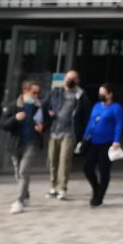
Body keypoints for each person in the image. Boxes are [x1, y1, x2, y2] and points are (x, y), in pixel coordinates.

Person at [41, 69, 91, 201]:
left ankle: (62, 188)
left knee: (64, 160)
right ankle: (53, 187)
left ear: (78, 80)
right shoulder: (56, 92)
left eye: (73, 79)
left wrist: (86, 135)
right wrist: (47, 115)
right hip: (54, 131)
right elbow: (44, 105)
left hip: (69, 133)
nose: (70, 81)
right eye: (68, 78)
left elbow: (86, 116)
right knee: (53, 160)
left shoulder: (81, 96)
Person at [0, 79, 43, 214]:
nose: (36, 95)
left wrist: (41, 128)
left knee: (24, 171)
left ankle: (19, 201)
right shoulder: (14, 106)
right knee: (18, 172)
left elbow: (43, 122)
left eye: (38, 93)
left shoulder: (38, 107)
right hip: (16, 144)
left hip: (31, 142)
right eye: (34, 92)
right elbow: (3, 124)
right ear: (25, 91)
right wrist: (15, 119)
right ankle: (25, 194)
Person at [81, 82, 123, 207]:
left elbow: (118, 125)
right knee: (87, 167)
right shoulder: (96, 106)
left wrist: (117, 140)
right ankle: (96, 187)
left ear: (110, 94)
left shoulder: (116, 108)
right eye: (100, 93)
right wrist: (85, 138)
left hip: (107, 143)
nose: (100, 95)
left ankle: (99, 196)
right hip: (94, 141)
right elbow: (91, 122)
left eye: (103, 93)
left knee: (104, 170)